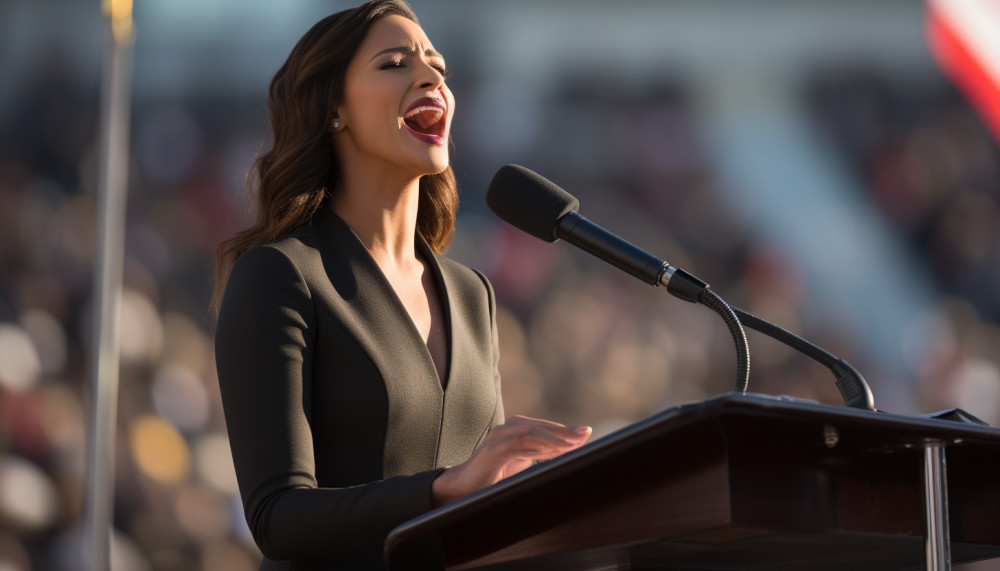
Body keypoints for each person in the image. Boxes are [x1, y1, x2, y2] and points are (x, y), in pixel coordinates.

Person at [212, 1, 592, 568]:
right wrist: (442, 489)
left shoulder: (471, 294)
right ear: (333, 108)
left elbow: (481, 507)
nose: (431, 76)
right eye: (394, 63)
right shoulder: (280, 277)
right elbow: (276, 517)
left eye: (437, 64)